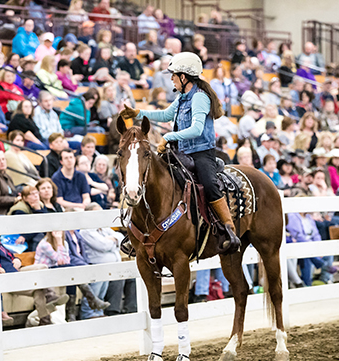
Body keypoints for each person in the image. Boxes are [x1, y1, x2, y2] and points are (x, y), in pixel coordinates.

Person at [120, 52, 240, 252]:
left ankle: (227, 228)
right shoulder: (182, 97)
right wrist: (138, 113)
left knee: (209, 184)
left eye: (174, 75)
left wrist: (168, 137)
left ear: (184, 77)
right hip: (181, 152)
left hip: (202, 153)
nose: (171, 79)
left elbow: (197, 129)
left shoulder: (200, 98)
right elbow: (166, 114)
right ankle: (139, 231)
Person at [80, 202, 128, 318]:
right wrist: (114, 242)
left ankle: (98, 312)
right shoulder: (86, 230)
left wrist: (111, 240)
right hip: (96, 264)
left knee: (102, 291)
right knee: (95, 291)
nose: (100, 215)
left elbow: (121, 238)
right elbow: (102, 246)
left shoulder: (104, 228)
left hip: (109, 265)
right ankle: (88, 313)